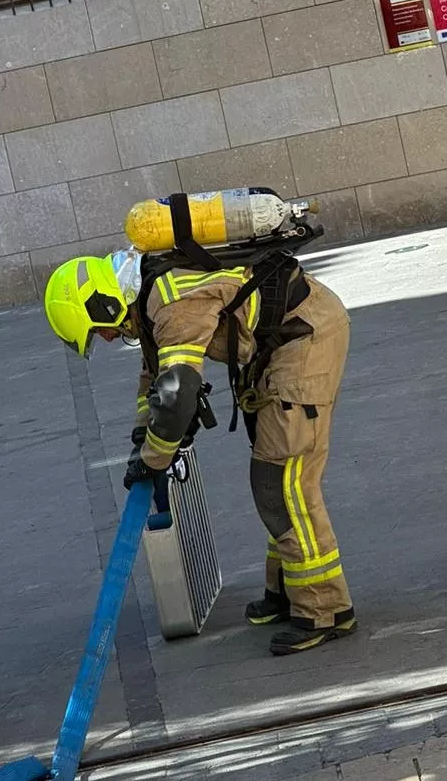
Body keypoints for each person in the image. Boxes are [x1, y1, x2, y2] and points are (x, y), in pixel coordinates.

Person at [41, 194, 357, 656]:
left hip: (304, 341)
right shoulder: (147, 288)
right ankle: (287, 592)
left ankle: (326, 610)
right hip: (276, 347)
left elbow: (177, 392)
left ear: (103, 304)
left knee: (282, 482)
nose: (107, 339)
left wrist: (154, 457)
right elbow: (156, 374)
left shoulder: (170, 300)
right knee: (272, 478)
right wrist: (142, 440)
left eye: (99, 330)